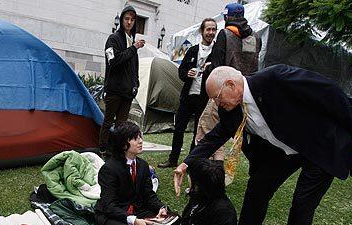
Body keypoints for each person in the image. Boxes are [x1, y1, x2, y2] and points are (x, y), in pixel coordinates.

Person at [174, 65, 352, 225]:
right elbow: (216, 136)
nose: (216, 103)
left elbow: (329, 91)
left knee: (302, 206)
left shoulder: (275, 79)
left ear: (231, 85)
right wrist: (187, 163)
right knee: (257, 187)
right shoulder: (230, 108)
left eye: (216, 97)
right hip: (283, 150)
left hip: (319, 147)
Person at [94, 122, 178, 225]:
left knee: (175, 219)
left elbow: (149, 195)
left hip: (139, 210)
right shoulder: (109, 169)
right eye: (135, 138)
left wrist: (161, 208)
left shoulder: (143, 165)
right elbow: (109, 206)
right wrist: (134, 221)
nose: (140, 141)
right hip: (113, 214)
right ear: (122, 145)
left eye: (140, 137)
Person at [194, 2, 261, 163]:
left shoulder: (224, 34)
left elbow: (217, 68)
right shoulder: (256, 37)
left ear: (226, 17)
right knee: (231, 135)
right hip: (244, 94)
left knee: (206, 134)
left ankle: (203, 180)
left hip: (223, 93)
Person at [158, 18, 217, 168]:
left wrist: (211, 68)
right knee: (179, 128)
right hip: (188, 96)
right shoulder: (192, 50)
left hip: (205, 98)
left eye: (213, 29)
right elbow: (181, 71)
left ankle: (190, 162)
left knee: (198, 131)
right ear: (202, 31)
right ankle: (173, 159)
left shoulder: (218, 52)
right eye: (208, 29)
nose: (211, 32)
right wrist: (187, 73)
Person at [98, 5, 145, 157]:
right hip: (113, 90)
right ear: (122, 20)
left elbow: (134, 68)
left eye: (132, 19)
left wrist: (135, 84)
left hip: (127, 91)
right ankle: (103, 149)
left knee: (121, 125)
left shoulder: (131, 40)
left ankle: (115, 150)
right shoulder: (113, 39)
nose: (129, 22)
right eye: (127, 19)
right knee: (108, 121)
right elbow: (114, 61)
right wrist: (133, 48)